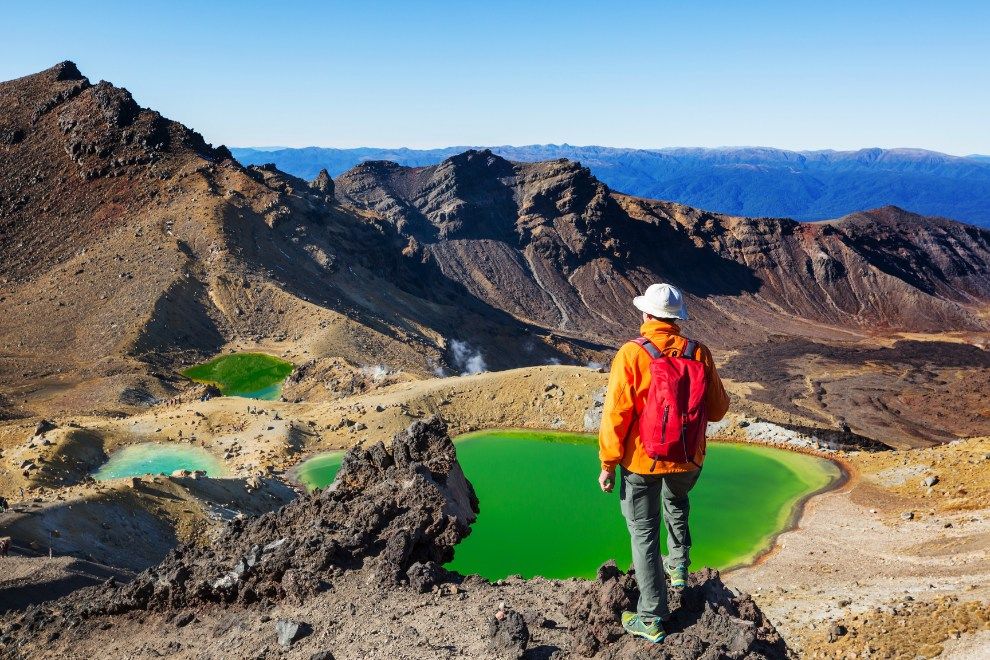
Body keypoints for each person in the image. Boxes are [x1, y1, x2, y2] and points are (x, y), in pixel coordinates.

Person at [598, 283, 730, 644]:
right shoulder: (698, 352)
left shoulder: (632, 353)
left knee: (643, 535)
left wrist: (608, 463)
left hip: (642, 462)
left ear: (646, 315)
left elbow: (616, 415)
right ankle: (679, 568)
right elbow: (718, 410)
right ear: (677, 319)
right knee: (677, 502)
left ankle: (652, 617)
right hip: (688, 458)